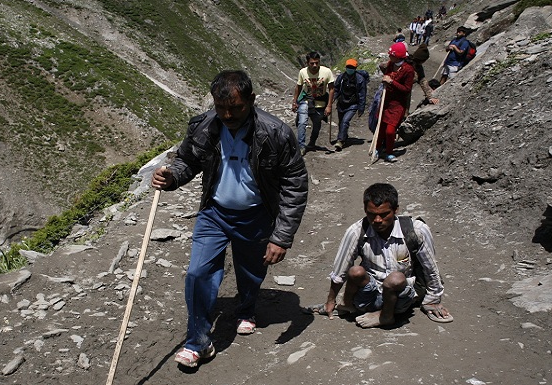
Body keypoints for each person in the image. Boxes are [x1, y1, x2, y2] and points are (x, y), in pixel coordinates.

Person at [152, 70, 309, 368]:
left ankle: (246, 308)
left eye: (236, 107)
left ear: (251, 100)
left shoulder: (275, 132)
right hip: (214, 212)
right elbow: (187, 159)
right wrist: (171, 177)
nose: (228, 114)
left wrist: (281, 236)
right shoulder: (204, 126)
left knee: (250, 271)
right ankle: (198, 342)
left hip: (256, 214)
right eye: (221, 107)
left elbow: (295, 182)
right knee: (198, 273)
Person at [307, 183, 452, 328]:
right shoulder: (356, 231)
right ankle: (350, 305)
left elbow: (430, 269)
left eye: (384, 215)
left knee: (396, 279)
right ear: (365, 210)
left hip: (400, 295)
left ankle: (386, 316)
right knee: (355, 271)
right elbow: (340, 271)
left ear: (395, 210)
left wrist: (432, 300)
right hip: (370, 293)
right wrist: (330, 301)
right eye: (371, 214)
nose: (377, 220)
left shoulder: (416, 230)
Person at [375, 42, 414, 162]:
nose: (389, 57)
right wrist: (386, 80)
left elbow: (407, 89)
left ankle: (389, 151)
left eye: (391, 55)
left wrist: (392, 82)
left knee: (390, 131)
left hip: (398, 104)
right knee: (381, 128)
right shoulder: (391, 64)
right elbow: (387, 75)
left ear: (398, 56)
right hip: (386, 100)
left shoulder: (408, 70)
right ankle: (377, 149)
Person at [291, 51, 335, 154]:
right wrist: (295, 101)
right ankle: (301, 146)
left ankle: (312, 142)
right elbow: (299, 86)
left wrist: (329, 106)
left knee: (317, 124)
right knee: (302, 122)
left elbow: (332, 89)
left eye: (317, 62)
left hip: (320, 102)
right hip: (306, 100)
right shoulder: (302, 72)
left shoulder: (327, 72)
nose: (315, 65)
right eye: (312, 63)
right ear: (307, 63)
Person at [332, 58, 369, 151]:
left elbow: (362, 95)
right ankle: (344, 136)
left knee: (345, 121)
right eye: (348, 67)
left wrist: (361, 109)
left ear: (355, 68)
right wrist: (332, 99)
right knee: (341, 122)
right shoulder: (341, 78)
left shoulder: (360, 80)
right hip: (341, 103)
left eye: (351, 67)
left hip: (353, 105)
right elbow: (336, 89)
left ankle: (340, 141)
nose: (349, 69)